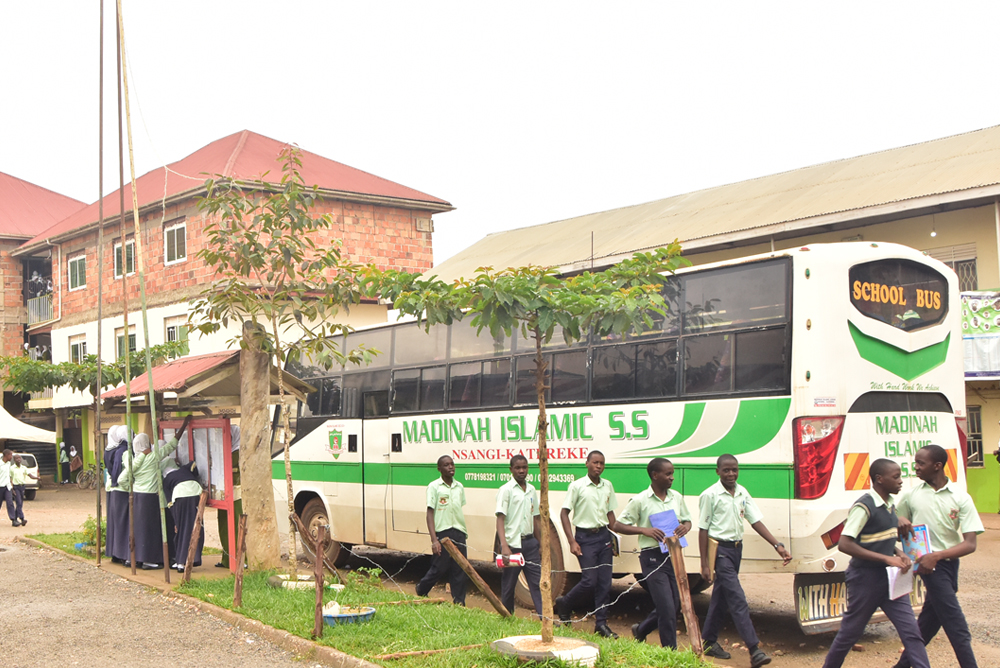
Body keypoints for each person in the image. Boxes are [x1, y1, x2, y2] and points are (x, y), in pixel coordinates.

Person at [821, 459, 929, 668]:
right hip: (865, 579)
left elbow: (884, 540)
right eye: (896, 477)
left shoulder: (889, 505)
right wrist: (887, 558)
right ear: (879, 479)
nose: (900, 482)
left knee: (912, 633)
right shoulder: (865, 506)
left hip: (891, 579)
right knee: (849, 634)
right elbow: (845, 543)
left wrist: (898, 553)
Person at [892, 444, 984, 668]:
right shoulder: (912, 496)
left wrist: (938, 555)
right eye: (915, 463)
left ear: (938, 466)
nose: (916, 468)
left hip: (947, 564)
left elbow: (970, 544)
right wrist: (897, 520)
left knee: (927, 625)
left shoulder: (960, 498)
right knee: (956, 625)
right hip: (928, 567)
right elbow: (889, 520)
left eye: (921, 463)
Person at [699, 454, 790, 668]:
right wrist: (704, 563)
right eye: (726, 470)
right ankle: (754, 649)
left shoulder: (741, 492)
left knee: (721, 597)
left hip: (736, 550)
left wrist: (777, 545)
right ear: (718, 472)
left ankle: (709, 642)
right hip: (719, 551)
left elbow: (755, 520)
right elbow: (703, 530)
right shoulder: (710, 495)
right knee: (737, 598)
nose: (731, 474)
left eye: (734, 470)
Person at [614, 457, 691, 649]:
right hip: (652, 557)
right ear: (655, 475)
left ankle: (641, 629)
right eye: (668, 474)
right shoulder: (640, 500)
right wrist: (644, 530)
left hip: (673, 555)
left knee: (674, 604)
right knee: (666, 607)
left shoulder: (677, 498)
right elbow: (616, 524)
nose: (672, 477)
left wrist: (685, 528)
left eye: (672, 473)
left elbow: (687, 520)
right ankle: (670, 652)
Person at [557, 450, 618, 638]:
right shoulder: (577, 486)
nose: (598, 466)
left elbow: (611, 517)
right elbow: (564, 513)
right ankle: (564, 604)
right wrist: (571, 541)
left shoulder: (608, 485)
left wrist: (615, 538)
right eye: (595, 462)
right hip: (585, 538)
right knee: (589, 581)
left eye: (601, 463)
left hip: (604, 537)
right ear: (587, 463)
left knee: (604, 583)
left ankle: (601, 624)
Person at [415, 455, 468, 605]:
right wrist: (434, 540)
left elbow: (458, 509)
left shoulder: (459, 487)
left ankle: (459, 602)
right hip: (443, 533)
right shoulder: (434, 487)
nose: (450, 467)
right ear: (439, 469)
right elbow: (430, 513)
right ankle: (422, 588)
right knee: (439, 567)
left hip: (459, 530)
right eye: (446, 465)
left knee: (460, 568)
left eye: (452, 464)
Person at [496, 454, 543, 616]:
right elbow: (500, 519)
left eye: (524, 467)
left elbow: (535, 518)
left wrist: (539, 543)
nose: (521, 471)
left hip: (530, 543)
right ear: (511, 470)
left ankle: (544, 618)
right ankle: (507, 615)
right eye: (517, 468)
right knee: (509, 583)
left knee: (537, 583)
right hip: (513, 545)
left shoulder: (531, 490)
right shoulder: (506, 490)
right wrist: (504, 546)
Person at [159, 417, 202, 572]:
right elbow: (194, 465)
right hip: (196, 493)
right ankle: (194, 558)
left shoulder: (166, 480)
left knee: (182, 529)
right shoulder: (182, 469)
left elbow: (170, 502)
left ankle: (180, 561)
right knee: (196, 527)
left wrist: (175, 520)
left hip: (180, 496)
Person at [117, 432, 165, 569]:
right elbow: (170, 447)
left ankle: (132, 558)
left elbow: (121, 479)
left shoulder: (133, 459)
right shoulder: (153, 457)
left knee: (136, 529)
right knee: (149, 530)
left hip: (136, 497)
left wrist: (131, 489)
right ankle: (148, 561)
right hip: (149, 498)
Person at [105, 425, 132, 563]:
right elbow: (125, 472)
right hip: (122, 489)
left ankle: (115, 553)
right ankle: (124, 555)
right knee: (125, 524)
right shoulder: (123, 451)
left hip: (112, 487)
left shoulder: (109, 449)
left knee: (115, 523)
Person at [9, 454, 39, 527]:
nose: (18, 459)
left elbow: (30, 475)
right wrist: (12, 488)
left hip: (22, 487)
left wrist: (37, 478)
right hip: (16, 487)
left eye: (19, 458)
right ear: (14, 460)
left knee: (20, 504)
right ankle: (22, 518)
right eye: (16, 458)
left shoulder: (24, 468)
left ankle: (15, 519)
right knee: (19, 503)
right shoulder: (12, 468)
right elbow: (10, 479)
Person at [0, 450, 17, 526]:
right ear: (6, 455)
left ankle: (13, 520)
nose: (12, 457)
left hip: (7, 487)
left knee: (10, 503)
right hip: (0, 486)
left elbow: (8, 475)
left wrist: (12, 487)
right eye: (10, 455)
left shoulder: (9, 464)